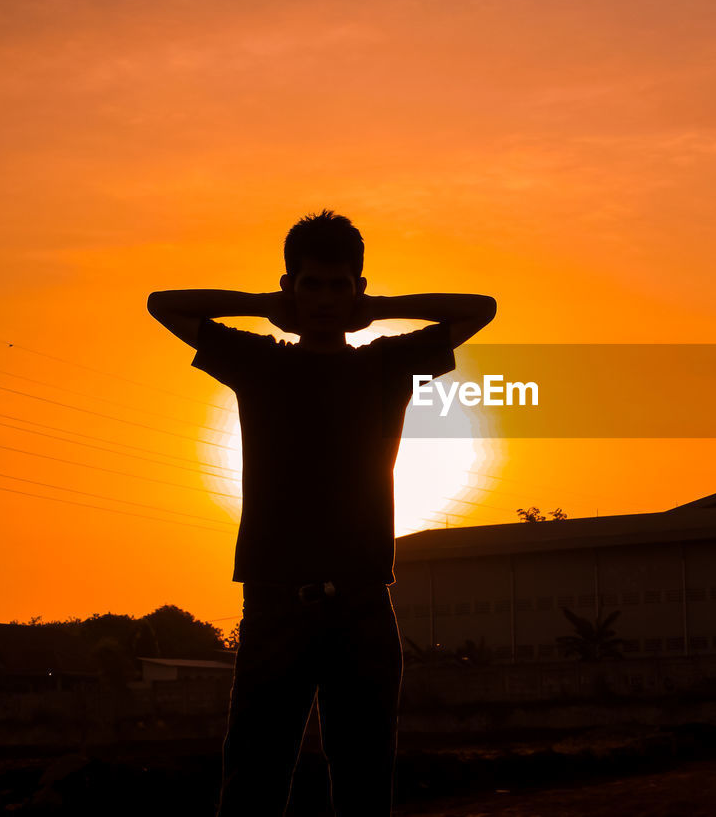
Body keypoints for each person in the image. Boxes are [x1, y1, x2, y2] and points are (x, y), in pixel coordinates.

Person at [146, 209, 496, 816]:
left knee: (365, 782)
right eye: (312, 283)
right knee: (253, 779)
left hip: (363, 605)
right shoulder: (260, 362)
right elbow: (162, 303)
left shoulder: (385, 363)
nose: (327, 298)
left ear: (357, 288)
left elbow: (479, 307)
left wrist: (378, 308)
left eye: (341, 285)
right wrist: (263, 304)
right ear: (291, 286)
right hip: (275, 603)